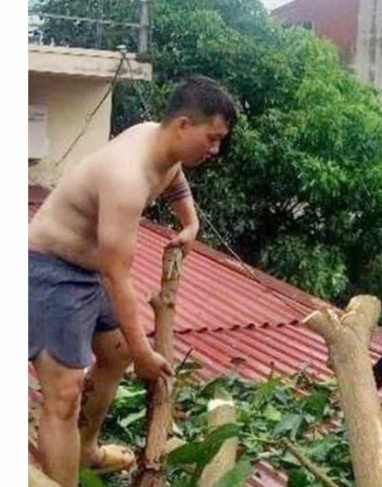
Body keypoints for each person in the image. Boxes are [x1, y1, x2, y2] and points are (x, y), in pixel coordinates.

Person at [28, 75, 237, 486]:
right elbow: (117, 275)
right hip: (50, 270)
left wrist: (190, 221)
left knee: (118, 349)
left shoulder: (158, 141)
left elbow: (174, 176)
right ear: (182, 125)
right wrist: (146, 354)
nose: (214, 150)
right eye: (211, 138)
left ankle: (85, 449)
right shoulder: (127, 177)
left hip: (89, 270)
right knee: (64, 394)